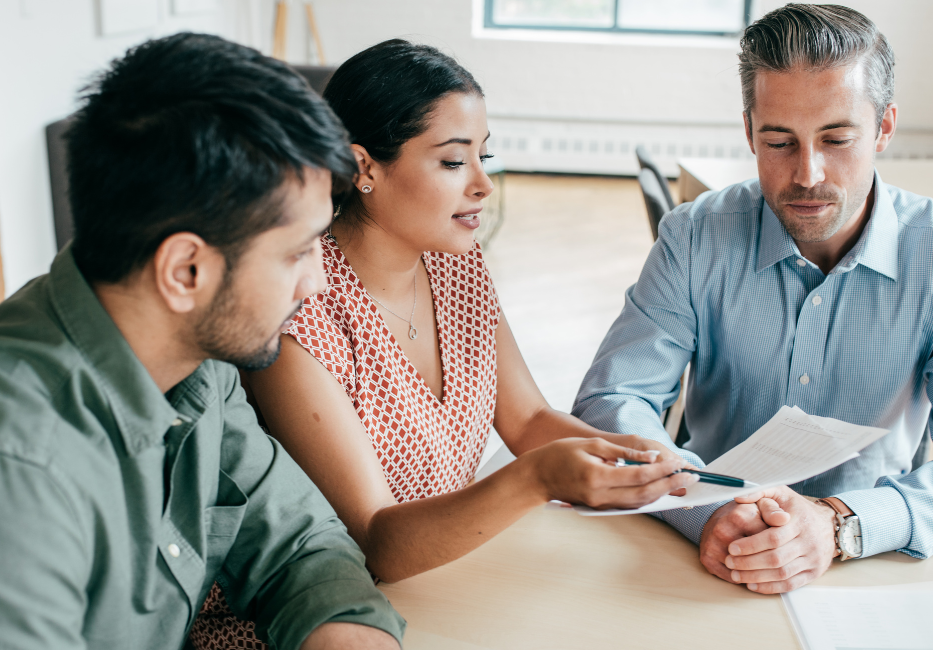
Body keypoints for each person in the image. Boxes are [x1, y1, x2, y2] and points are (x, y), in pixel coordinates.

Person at [191, 37, 698, 650]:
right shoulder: (298, 304)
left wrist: (637, 455)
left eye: (486, 156)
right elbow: (377, 539)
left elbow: (529, 418)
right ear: (364, 169)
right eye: (454, 162)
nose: (484, 184)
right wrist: (534, 480)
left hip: (440, 581)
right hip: (307, 622)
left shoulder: (456, 262)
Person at [0, 33, 405, 650]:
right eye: (297, 252)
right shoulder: (5, 469)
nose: (317, 282)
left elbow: (300, 544)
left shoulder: (197, 361)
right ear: (185, 271)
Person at [574, 3, 933, 595]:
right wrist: (699, 506)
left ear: (885, 128)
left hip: (873, 565)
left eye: (838, 138)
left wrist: (840, 524)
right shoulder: (694, 236)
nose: (809, 174)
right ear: (748, 131)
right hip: (704, 549)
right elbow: (615, 396)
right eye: (779, 141)